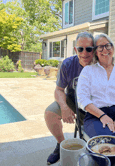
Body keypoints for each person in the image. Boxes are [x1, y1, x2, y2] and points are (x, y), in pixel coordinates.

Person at [44, 32, 94, 165]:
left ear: (93, 49)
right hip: (73, 102)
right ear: (75, 49)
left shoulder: (100, 64)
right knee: (50, 113)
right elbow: (59, 90)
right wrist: (64, 107)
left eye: (89, 48)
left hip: (94, 108)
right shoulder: (68, 64)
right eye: (80, 49)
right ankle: (61, 145)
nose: (84, 53)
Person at [77, 34, 115, 138]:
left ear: (113, 48)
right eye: (100, 47)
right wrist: (103, 116)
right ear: (95, 52)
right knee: (108, 143)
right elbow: (82, 99)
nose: (104, 50)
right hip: (95, 115)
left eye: (107, 45)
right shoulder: (88, 71)